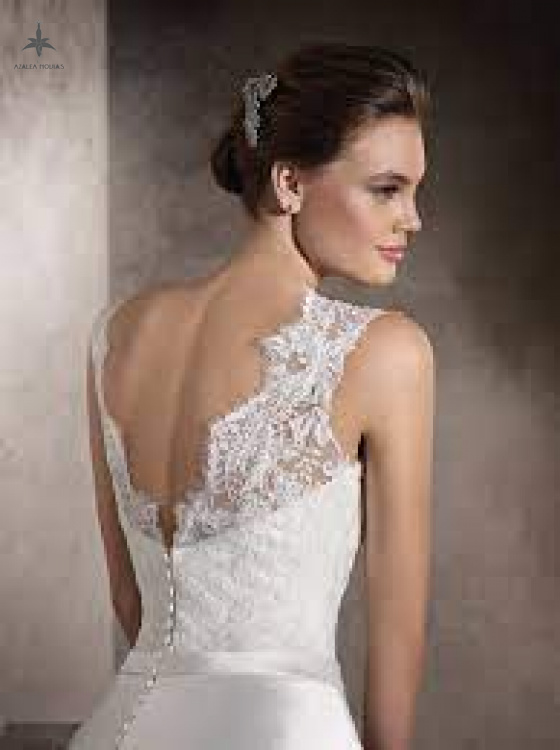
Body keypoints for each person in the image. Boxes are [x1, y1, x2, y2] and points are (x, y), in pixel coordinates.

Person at [69, 40, 434, 750]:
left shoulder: (116, 333)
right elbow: (397, 633)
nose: (412, 219)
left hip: (119, 728)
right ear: (289, 183)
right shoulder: (389, 352)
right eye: (387, 189)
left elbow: (131, 602)